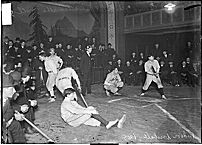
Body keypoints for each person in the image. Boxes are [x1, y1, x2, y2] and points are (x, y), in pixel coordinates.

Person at [61, 88, 126, 129]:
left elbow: (80, 108)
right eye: (73, 94)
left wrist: (88, 109)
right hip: (71, 121)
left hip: (75, 118)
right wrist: (89, 111)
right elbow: (76, 111)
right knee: (90, 112)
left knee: (94, 121)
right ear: (68, 95)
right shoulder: (66, 103)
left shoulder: (72, 101)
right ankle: (107, 123)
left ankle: (116, 125)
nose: (74, 96)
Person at [2, 71, 26, 143]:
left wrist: (14, 115)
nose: (14, 91)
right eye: (11, 89)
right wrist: (8, 121)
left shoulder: (6, 99)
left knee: (16, 125)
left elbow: (9, 110)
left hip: (6, 123)